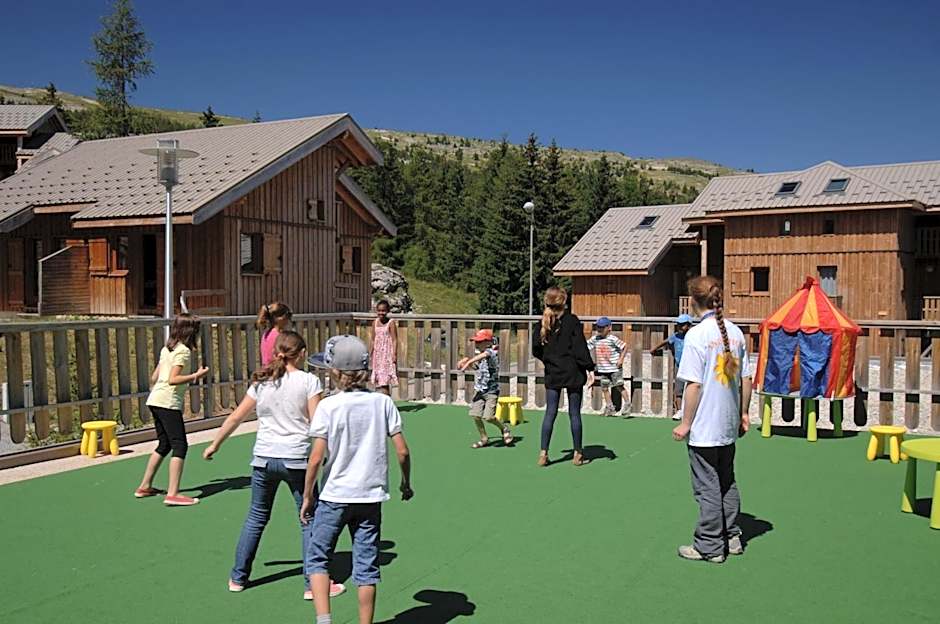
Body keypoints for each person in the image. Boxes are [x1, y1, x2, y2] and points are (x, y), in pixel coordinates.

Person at [202, 330, 345, 600]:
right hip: (296, 460)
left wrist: (214, 444)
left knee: (256, 518)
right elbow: (318, 424)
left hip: (263, 459)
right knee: (308, 519)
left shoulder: (262, 382)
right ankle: (311, 584)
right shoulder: (309, 381)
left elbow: (235, 417)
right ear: (301, 354)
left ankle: (238, 577)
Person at [301, 335, 413, 624]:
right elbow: (402, 450)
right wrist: (405, 482)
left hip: (335, 496)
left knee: (317, 558)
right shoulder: (383, 402)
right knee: (366, 567)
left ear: (335, 372)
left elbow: (315, 458)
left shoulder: (328, 406)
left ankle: (324, 621)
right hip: (370, 497)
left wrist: (307, 496)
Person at [672, 276, 752, 564]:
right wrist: (743, 413)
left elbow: (693, 386)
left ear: (693, 302)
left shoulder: (696, 336)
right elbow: (745, 379)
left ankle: (709, 545)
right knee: (726, 480)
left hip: (705, 426)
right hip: (728, 422)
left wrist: (685, 422)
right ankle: (732, 536)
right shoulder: (736, 333)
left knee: (707, 486)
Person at [134, 314, 209, 506]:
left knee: (164, 444)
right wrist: (195, 375)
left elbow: (154, 377)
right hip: (168, 402)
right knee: (180, 445)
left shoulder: (166, 349)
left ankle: (144, 486)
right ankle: (173, 493)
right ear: (191, 332)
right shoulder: (183, 351)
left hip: (155, 400)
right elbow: (172, 379)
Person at [532, 287, 595, 467]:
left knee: (550, 412)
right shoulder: (572, 321)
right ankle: (578, 453)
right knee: (574, 413)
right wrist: (590, 368)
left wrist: (548, 360)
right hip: (573, 372)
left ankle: (543, 454)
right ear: (564, 301)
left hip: (553, 372)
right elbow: (579, 348)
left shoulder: (543, 323)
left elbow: (535, 348)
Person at [458, 328, 513, 448]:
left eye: (480, 341)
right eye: (476, 342)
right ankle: (484, 438)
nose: (477, 344)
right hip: (480, 391)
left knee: (488, 417)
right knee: (475, 415)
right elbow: (477, 369)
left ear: (488, 342)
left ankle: (504, 429)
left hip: (491, 391)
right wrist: (466, 362)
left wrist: (469, 361)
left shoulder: (492, 353)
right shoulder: (480, 357)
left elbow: (486, 354)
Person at [652, 314, 694, 419]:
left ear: (689, 326)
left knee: (693, 389)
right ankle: (679, 410)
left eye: (682, 325)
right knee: (678, 389)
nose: (680, 327)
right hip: (679, 365)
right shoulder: (675, 336)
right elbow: (665, 342)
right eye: (678, 325)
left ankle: (693, 412)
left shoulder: (693, 337)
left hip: (692, 366)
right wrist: (654, 349)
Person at [587, 317, 630, 417]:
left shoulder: (612, 339)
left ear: (609, 328)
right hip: (603, 369)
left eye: (602, 327)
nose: (599, 330)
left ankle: (627, 404)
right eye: (598, 327)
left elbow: (625, 346)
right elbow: (586, 346)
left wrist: (621, 359)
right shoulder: (595, 339)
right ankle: (610, 407)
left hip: (614, 368)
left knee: (619, 385)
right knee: (605, 388)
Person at [370, 300, 398, 395]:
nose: (381, 313)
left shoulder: (391, 323)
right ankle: (380, 402)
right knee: (378, 380)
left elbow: (394, 339)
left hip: (387, 355)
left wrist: (394, 354)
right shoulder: (375, 322)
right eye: (379, 311)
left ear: (388, 311)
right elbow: (373, 339)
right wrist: (370, 352)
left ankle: (387, 401)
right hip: (378, 355)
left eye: (383, 311)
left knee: (385, 380)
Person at [257, 301, 293, 367]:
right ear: (280, 318)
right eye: (288, 316)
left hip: (267, 372)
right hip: (278, 373)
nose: (289, 320)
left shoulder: (266, 334)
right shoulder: (280, 337)